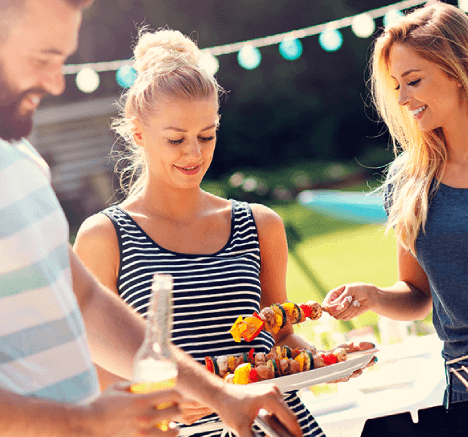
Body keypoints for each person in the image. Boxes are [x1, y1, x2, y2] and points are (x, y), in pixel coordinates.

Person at [0, 0, 302, 436]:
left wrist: (219, 394)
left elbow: (89, 302)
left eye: (64, 59)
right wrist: (84, 422)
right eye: (42, 58)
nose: (56, 83)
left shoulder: (20, 157)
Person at [71, 28, 369, 436]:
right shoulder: (104, 237)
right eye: (176, 139)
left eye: (206, 136)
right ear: (138, 133)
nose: (194, 153)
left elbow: (280, 337)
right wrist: (159, 400)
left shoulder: (259, 224)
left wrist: (328, 360)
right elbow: (97, 367)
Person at [322, 1, 468, 403]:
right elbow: (418, 295)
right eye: (396, 85)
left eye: (414, 80)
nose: (403, 98)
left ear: (457, 71)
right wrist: (373, 296)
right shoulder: (407, 182)